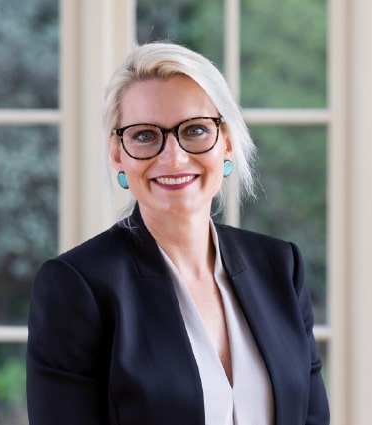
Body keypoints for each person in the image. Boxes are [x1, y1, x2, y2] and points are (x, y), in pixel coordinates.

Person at [26, 42, 330, 425]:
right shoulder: (76, 285)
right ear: (118, 154)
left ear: (227, 142)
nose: (173, 158)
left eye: (196, 130)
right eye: (144, 135)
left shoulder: (281, 267)